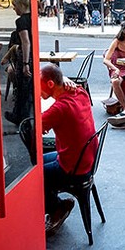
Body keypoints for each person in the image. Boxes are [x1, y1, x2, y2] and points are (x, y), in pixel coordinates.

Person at [39, 63, 97, 236]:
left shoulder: (59, 109)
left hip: (73, 166)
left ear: (50, 84)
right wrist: (64, 79)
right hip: (85, 158)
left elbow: (35, 127)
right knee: (41, 162)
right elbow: (60, 79)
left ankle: (57, 208)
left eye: (39, 85)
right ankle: (56, 202)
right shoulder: (79, 92)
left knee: (35, 174)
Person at [5, 0, 33, 124]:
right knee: (28, 89)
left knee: (22, 88)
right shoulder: (32, 18)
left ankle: (20, 117)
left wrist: (25, 63)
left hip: (26, 56)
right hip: (33, 56)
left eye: (15, 6)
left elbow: (26, 42)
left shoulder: (21, 21)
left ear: (21, 6)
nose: (14, 9)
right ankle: (25, 117)